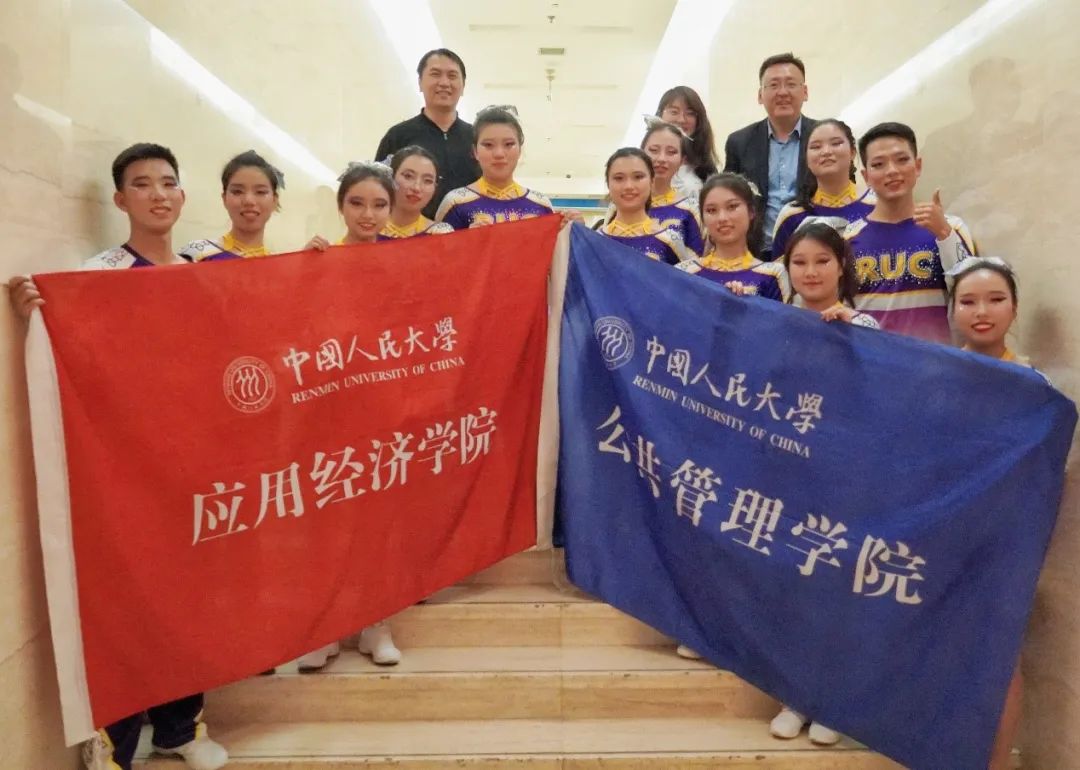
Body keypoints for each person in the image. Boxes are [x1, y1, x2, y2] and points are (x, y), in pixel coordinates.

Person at [8, 143, 230, 770]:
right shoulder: (98, 274)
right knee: (129, 602)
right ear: (120, 199)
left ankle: (180, 727)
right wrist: (36, 313)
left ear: (182, 195)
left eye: (168, 182)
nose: (158, 194)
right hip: (129, 471)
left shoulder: (202, 272)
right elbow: (78, 350)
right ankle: (117, 741)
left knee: (191, 601)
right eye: (142, 184)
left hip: (197, 464)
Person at [299, 162, 403, 671]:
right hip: (329, 412)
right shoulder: (319, 261)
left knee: (379, 523)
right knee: (328, 525)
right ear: (341, 206)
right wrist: (300, 272)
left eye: (379, 205)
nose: (368, 214)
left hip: (385, 410)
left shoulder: (406, 264)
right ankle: (326, 629)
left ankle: (377, 624)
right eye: (357, 203)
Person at [947, 256, 1028, 770]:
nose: (982, 312)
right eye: (968, 302)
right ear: (952, 311)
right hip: (942, 538)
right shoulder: (935, 374)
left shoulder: (1034, 388)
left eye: (995, 300)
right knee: (938, 653)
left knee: (1000, 661)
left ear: (1014, 309)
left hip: (1003, 543)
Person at [845, 122, 974, 343]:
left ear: (918, 165)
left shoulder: (950, 227)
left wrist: (944, 234)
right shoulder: (847, 238)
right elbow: (841, 308)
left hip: (934, 359)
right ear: (866, 177)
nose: (892, 171)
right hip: (872, 359)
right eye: (878, 164)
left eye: (902, 159)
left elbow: (971, 293)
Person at [723, 53, 818, 259]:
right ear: (760, 95)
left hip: (814, 250)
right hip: (757, 253)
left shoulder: (825, 137)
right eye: (773, 85)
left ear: (805, 92)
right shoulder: (739, 142)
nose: (782, 92)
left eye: (791, 84)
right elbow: (728, 199)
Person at [374, 48, 480, 220]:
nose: (444, 82)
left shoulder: (478, 139)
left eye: (452, 76)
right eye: (435, 74)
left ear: (463, 86)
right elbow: (378, 192)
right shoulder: (398, 136)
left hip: (472, 232)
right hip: (411, 233)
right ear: (420, 82)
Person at [676, 173, 791, 302]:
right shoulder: (684, 272)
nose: (722, 218)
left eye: (732, 207)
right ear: (702, 218)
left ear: (751, 211)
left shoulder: (773, 275)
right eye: (712, 210)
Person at [435, 107, 555, 229]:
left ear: (520, 150)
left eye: (509, 144)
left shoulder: (541, 205)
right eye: (488, 145)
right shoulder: (455, 203)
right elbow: (437, 241)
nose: (499, 154)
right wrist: (469, 238)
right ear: (475, 151)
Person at [772, 120, 874, 259]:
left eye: (836, 143)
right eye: (816, 147)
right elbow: (781, 271)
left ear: (852, 152)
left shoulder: (878, 204)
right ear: (806, 159)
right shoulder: (791, 215)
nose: (826, 152)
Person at [180, 149, 283, 261]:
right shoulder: (197, 253)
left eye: (260, 192)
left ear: (274, 200)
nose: (249, 200)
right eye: (237, 191)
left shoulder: (279, 265)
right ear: (224, 198)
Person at [598, 147, 691, 264]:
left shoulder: (670, 240)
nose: (628, 186)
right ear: (608, 184)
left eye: (638, 177)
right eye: (619, 178)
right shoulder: (595, 240)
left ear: (652, 181)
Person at [641, 120, 705, 255]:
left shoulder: (690, 209)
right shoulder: (623, 204)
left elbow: (697, 260)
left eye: (671, 152)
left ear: (682, 160)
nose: (661, 158)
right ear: (641, 153)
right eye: (654, 150)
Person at [655, 85, 719, 198]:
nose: (681, 119)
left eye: (690, 113)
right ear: (660, 114)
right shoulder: (645, 158)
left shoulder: (705, 165)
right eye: (674, 112)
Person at [381, 146, 453, 238]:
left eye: (427, 181)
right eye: (408, 176)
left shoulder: (439, 234)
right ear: (391, 177)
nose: (416, 188)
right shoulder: (368, 228)